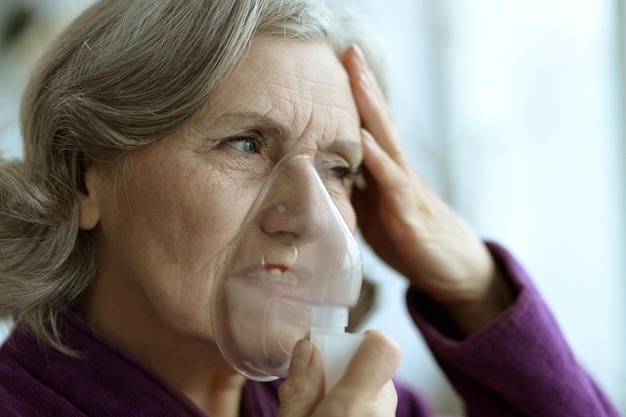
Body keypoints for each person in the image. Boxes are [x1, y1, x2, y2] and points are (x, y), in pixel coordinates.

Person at [0, 1, 620, 416]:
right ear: (85, 176)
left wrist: (475, 287)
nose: (308, 215)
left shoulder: (359, 400)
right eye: (246, 144)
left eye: (339, 170)